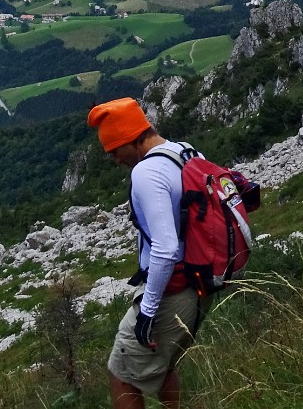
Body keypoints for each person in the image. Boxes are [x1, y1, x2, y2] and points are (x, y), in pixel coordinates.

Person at [88, 97, 201, 409]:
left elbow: (165, 248)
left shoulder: (146, 173)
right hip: (198, 284)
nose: (114, 159)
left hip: (171, 289)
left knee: (120, 371)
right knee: (164, 365)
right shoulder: (185, 151)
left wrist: (148, 310)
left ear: (128, 139)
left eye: (113, 150)